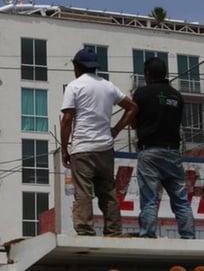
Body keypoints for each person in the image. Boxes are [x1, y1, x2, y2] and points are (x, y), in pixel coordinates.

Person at [60, 47, 138, 236]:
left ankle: (86, 231)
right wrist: (116, 129)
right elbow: (132, 107)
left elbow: (68, 119)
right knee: (108, 192)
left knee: (83, 192)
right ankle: (113, 230)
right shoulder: (108, 86)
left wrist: (64, 149)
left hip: (82, 148)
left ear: (77, 66)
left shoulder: (74, 86)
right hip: (105, 148)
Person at [132, 57, 196, 239]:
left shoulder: (142, 93)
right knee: (181, 200)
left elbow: (134, 121)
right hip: (173, 152)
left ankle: (147, 235)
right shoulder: (177, 96)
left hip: (150, 151)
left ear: (147, 74)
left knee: (150, 199)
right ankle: (189, 237)